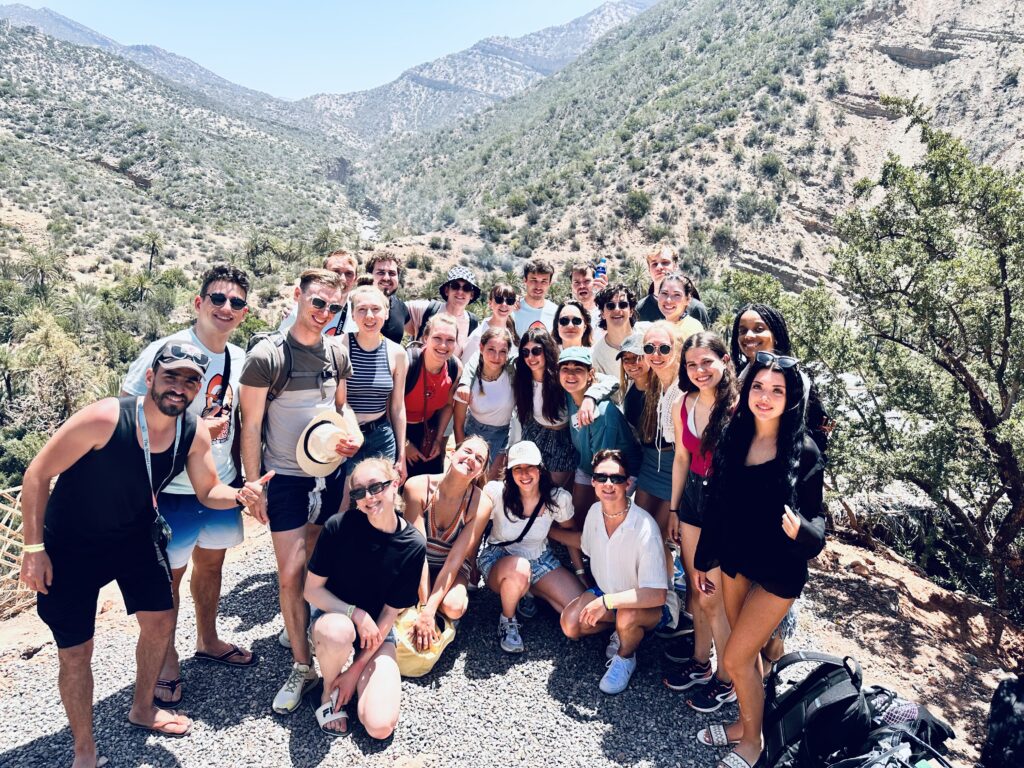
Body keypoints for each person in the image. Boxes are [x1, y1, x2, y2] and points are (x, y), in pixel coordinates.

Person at [19, 341, 270, 765]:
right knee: (76, 651)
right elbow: (37, 474)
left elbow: (208, 491)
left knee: (160, 622)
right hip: (72, 545)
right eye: (171, 376)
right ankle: (84, 748)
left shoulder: (192, 431)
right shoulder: (105, 418)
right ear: (150, 378)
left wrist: (242, 494)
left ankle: (143, 707)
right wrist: (34, 549)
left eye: (190, 381)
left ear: (197, 389)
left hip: (135, 536)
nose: (180, 387)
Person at [121, 265, 254, 711]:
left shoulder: (239, 358)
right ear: (199, 303)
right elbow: (128, 407)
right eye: (218, 298)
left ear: (244, 312)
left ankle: (208, 639)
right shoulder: (168, 349)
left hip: (219, 482)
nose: (226, 307)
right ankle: (166, 658)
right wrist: (190, 428)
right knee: (169, 578)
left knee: (211, 566)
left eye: (236, 302)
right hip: (171, 487)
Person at [692, 353, 826, 768]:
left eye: (777, 391)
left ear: (791, 398)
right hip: (736, 562)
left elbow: (819, 523)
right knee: (745, 657)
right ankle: (746, 725)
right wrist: (703, 560)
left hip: (778, 572)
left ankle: (754, 744)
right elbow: (717, 505)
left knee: (733, 657)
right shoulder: (734, 436)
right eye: (758, 387)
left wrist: (802, 531)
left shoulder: (804, 450)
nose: (765, 397)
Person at [238, 268, 361, 715]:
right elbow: (251, 424)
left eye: (333, 306)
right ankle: (301, 664)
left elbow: (341, 407)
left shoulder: (337, 352)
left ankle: (316, 634)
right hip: (285, 478)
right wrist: (254, 484)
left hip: (328, 472)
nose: (324, 313)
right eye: (317, 302)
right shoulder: (267, 356)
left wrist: (352, 435)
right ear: (298, 296)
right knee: (290, 572)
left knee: (316, 562)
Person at [304, 458, 425, 738]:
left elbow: (390, 613)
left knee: (380, 727)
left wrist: (355, 671)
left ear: (395, 484)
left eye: (376, 487)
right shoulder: (338, 527)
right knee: (339, 631)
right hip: (334, 619)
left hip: (377, 632)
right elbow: (311, 590)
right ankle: (327, 691)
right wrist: (356, 614)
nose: (368, 497)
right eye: (359, 492)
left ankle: (351, 679)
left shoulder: (413, 545)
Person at [664, 332, 739, 713]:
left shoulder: (740, 407)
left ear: (724, 360)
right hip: (693, 499)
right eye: (691, 364)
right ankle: (700, 661)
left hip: (725, 507)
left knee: (714, 597)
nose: (699, 370)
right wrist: (674, 509)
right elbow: (681, 457)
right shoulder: (684, 402)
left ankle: (727, 679)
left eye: (706, 362)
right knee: (697, 590)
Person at [559, 449, 671, 695]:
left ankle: (626, 656)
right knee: (570, 624)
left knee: (627, 616)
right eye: (601, 477)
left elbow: (657, 595)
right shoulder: (594, 512)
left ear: (628, 484)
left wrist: (606, 603)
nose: (608, 484)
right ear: (593, 482)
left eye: (616, 478)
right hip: (606, 593)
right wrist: (549, 531)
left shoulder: (644, 527)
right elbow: (583, 543)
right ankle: (622, 630)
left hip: (645, 604)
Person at [477, 441, 584, 654]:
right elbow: (474, 530)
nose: (524, 474)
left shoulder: (557, 498)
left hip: (539, 557)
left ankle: (528, 590)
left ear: (540, 469)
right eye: (518, 468)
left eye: (530, 467)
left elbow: (571, 533)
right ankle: (508, 619)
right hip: (500, 557)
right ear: (510, 472)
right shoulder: (496, 493)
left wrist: (580, 572)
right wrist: (470, 568)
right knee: (519, 569)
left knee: (578, 613)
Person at [402, 437, 493, 650]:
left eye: (479, 459)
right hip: (418, 560)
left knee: (454, 607)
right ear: (451, 453)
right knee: (395, 601)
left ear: (480, 472)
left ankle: (437, 616)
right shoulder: (417, 486)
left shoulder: (481, 505)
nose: (471, 459)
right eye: (467, 451)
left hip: (452, 565)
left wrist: (428, 612)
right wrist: (426, 607)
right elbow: (417, 552)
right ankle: (426, 608)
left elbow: (454, 561)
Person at [511, 328, 615, 488]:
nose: (530, 357)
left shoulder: (563, 374)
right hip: (534, 433)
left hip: (562, 440)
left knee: (552, 490)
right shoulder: (521, 376)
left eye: (536, 351)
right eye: (525, 352)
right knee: (529, 487)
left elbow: (611, 381)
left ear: (546, 350)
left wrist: (590, 397)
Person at [558, 347, 641, 532]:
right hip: (587, 464)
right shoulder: (569, 394)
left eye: (578, 369)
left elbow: (605, 467)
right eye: (565, 369)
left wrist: (600, 506)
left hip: (617, 472)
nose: (570, 375)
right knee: (577, 518)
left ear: (590, 374)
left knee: (602, 523)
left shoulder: (602, 414)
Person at [342, 284, 409, 490]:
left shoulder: (397, 353)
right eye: (362, 309)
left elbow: (397, 407)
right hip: (346, 437)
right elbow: (338, 401)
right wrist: (353, 434)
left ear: (386, 313)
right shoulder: (340, 347)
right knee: (347, 499)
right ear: (352, 314)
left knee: (382, 497)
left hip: (381, 436)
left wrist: (401, 454)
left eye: (376, 309)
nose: (369, 316)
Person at [405, 314, 463, 477]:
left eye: (450, 340)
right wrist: (404, 444)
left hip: (429, 430)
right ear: (425, 338)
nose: (443, 345)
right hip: (398, 430)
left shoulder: (455, 367)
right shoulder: (408, 363)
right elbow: (390, 408)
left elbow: (448, 405)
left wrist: (438, 438)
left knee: (431, 483)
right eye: (437, 338)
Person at [453, 326, 515, 481]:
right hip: (474, 434)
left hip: (503, 435)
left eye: (502, 351)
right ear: (481, 347)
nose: (496, 356)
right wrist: (462, 450)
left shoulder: (512, 374)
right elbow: (458, 423)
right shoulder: (469, 380)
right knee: (468, 482)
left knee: (488, 484)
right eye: (491, 349)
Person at [279, 251, 359, 337]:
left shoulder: (359, 316)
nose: (342, 279)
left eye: (349, 273)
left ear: (355, 279)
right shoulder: (299, 313)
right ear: (324, 274)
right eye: (336, 272)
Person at [406, 265, 480, 356]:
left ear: (471, 295)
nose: (460, 292)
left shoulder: (473, 325)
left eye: (466, 288)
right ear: (446, 290)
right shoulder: (427, 309)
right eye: (455, 286)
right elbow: (395, 308)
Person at [635, 245, 711, 325]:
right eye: (654, 264)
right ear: (649, 269)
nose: (659, 267)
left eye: (665, 262)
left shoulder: (696, 309)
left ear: (675, 266)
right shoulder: (639, 309)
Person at [460, 282, 518, 365]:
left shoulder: (512, 332)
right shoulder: (477, 337)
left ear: (513, 305)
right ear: (490, 303)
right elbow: (465, 366)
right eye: (499, 300)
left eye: (510, 301)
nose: (504, 304)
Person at [591, 284, 639, 382]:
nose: (617, 309)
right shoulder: (595, 355)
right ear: (602, 313)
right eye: (610, 306)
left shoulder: (649, 335)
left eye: (623, 305)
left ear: (631, 311)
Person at [365, 251, 411, 345]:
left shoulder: (401, 308)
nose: (386, 278)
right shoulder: (354, 305)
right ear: (369, 276)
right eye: (380, 273)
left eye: (392, 273)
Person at [514, 258, 558, 336]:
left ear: (549, 283)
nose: (538, 286)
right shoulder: (513, 310)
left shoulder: (556, 313)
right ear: (525, 280)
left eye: (544, 281)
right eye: (534, 280)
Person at [656, 272, 705, 342]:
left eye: (677, 295)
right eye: (664, 293)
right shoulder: (659, 328)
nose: (668, 300)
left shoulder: (692, 329)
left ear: (687, 299)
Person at [569, 259, 607, 332]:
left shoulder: (608, 313)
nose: (582, 286)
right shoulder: (565, 315)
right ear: (571, 286)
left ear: (596, 281)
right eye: (576, 282)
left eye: (587, 281)